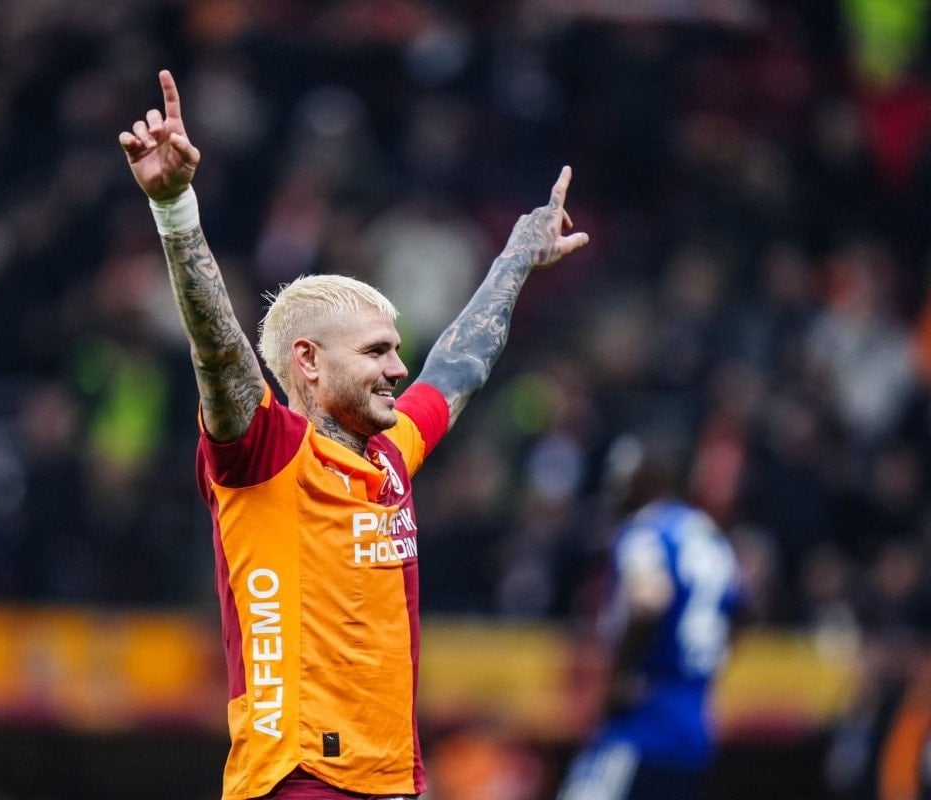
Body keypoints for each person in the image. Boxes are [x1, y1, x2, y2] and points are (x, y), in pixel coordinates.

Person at [119, 69, 589, 800]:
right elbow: (218, 349)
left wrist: (516, 259)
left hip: (391, 780)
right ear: (307, 361)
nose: (398, 369)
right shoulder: (265, 454)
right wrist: (175, 209)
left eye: (395, 351)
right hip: (301, 780)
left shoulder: (391, 452)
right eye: (376, 352)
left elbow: (458, 364)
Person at [556, 436, 745, 800]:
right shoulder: (706, 533)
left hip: (644, 719)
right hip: (694, 722)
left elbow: (649, 599)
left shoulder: (645, 532)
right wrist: (712, 659)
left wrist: (623, 674)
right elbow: (744, 603)